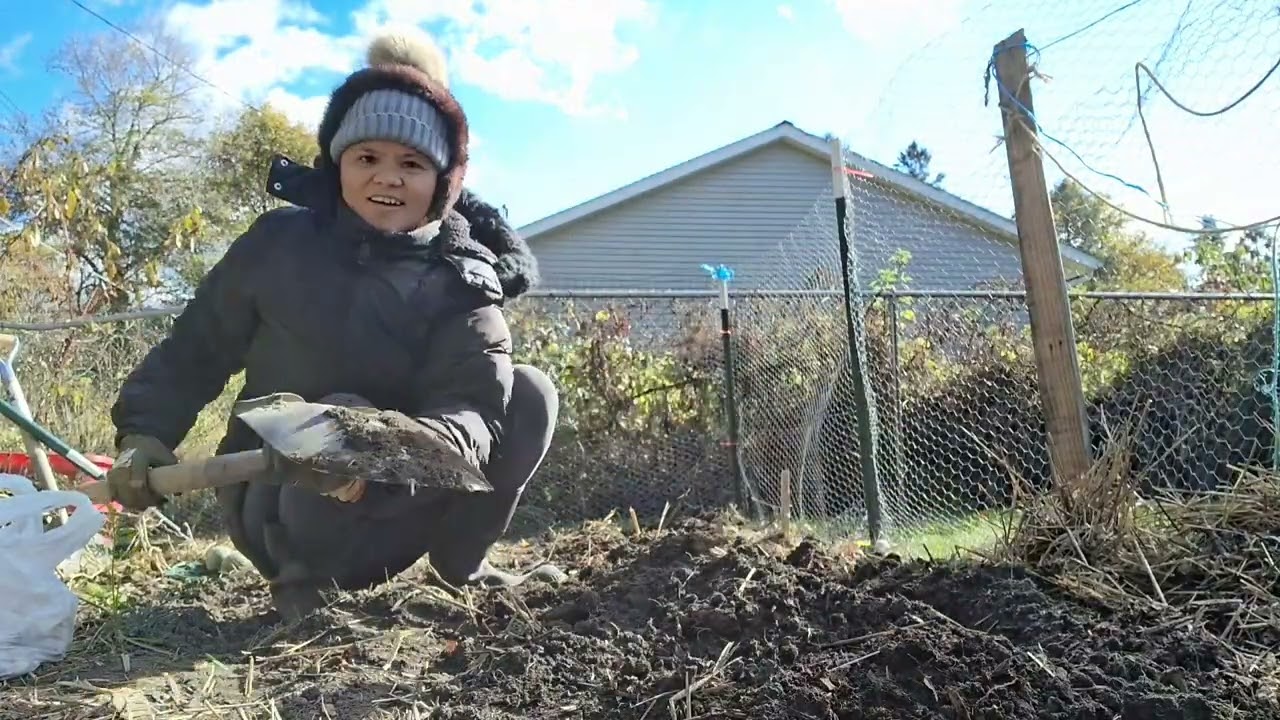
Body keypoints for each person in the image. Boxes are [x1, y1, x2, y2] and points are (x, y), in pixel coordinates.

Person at [106, 29, 563, 619]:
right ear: (338, 162)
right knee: (333, 412)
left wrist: (384, 464)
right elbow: (195, 350)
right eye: (367, 157)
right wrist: (144, 436)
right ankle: (303, 587)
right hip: (275, 499)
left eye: (412, 163)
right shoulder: (276, 246)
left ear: (445, 183)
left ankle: (461, 567)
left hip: (400, 504)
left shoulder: (463, 278)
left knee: (529, 393)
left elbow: (474, 410)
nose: (388, 178)